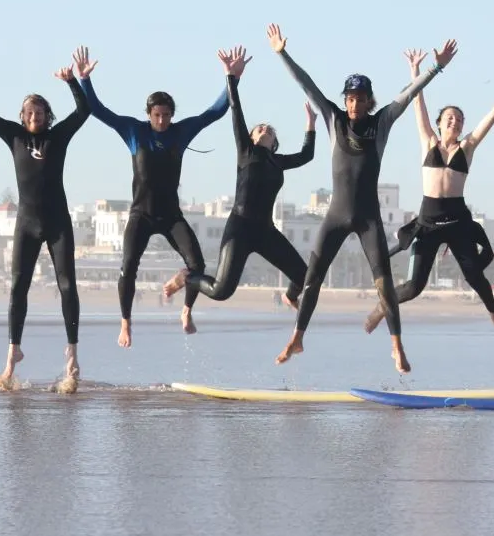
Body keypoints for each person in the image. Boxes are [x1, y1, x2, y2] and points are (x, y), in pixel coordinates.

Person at [266, 23, 456, 373]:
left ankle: (397, 347)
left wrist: (436, 67)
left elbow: (408, 94)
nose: (353, 104)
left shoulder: (381, 122)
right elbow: (306, 84)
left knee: (383, 280)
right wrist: (281, 53)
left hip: (368, 218)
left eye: (359, 99)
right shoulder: (333, 119)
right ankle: (297, 336)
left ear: (370, 100)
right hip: (336, 216)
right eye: (349, 98)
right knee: (312, 279)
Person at [364, 50, 494, 339]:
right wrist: (415, 70)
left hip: (457, 223)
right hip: (428, 223)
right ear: (440, 123)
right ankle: (383, 305)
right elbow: (417, 103)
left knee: (474, 275)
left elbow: (492, 116)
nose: (454, 122)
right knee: (414, 286)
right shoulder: (428, 140)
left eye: (459, 120)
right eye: (450, 118)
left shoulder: (467, 147)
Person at [75, 47, 229, 347]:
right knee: (128, 266)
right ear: (149, 114)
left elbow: (216, 112)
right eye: (157, 115)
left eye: (167, 115)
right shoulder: (134, 131)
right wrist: (84, 80)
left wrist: (230, 77)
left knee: (197, 264)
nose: (162, 120)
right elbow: (98, 110)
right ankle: (125, 325)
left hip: (171, 215)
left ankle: (185, 311)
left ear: (173, 115)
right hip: (141, 215)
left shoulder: (181, 132)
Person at [0, 49, 90, 390]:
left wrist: (74, 81)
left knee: (67, 286)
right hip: (27, 223)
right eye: (29, 112)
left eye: (40, 112)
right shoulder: (14, 135)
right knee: (18, 287)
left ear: (47, 115)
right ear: (22, 115)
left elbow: (84, 111)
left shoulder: (58, 136)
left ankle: (72, 354)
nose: (34, 116)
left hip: (58, 222)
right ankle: (12, 354)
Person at [162, 46, 316, 308]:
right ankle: (186, 278)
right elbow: (236, 110)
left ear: (275, 142)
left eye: (269, 129)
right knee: (222, 290)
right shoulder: (246, 151)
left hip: (265, 230)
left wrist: (310, 125)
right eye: (260, 128)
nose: (264, 128)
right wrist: (231, 77)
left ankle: (290, 296)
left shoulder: (278, 161)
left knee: (305, 276)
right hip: (241, 226)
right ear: (253, 137)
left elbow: (306, 156)